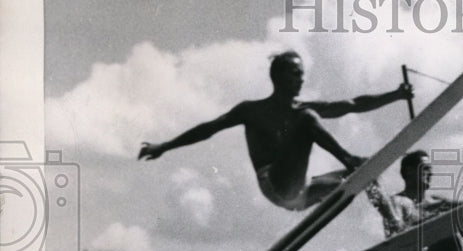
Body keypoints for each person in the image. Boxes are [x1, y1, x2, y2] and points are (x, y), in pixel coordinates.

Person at [137, 50, 413, 211]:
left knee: (366, 171)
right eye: (295, 74)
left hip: (303, 192)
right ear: (277, 76)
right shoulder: (253, 111)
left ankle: (393, 220)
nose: (301, 79)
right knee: (307, 120)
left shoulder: (303, 107)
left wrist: (396, 95)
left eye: (302, 74)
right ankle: (348, 158)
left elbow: (352, 105)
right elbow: (209, 129)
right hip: (275, 185)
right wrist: (164, 146)